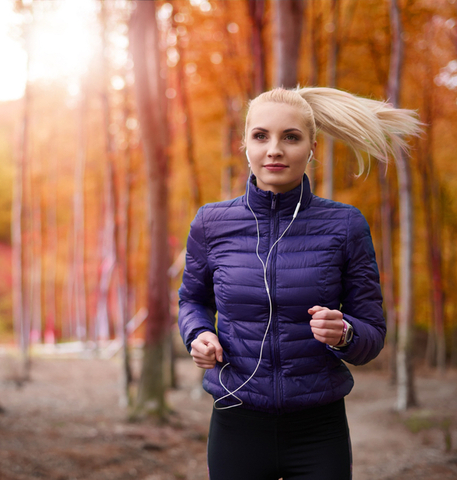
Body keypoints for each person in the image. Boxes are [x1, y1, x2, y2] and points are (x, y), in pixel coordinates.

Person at [178, 86, 422, 480]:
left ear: (311, 148)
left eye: (290, 137)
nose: (274, 149)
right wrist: (199, 335)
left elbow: (372, 334)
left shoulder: (345, 225)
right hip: (236, 421)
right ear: (245, 145)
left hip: (318, 430)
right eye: (261, 136)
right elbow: (192, 300)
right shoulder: (211, 223)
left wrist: (344, 332)